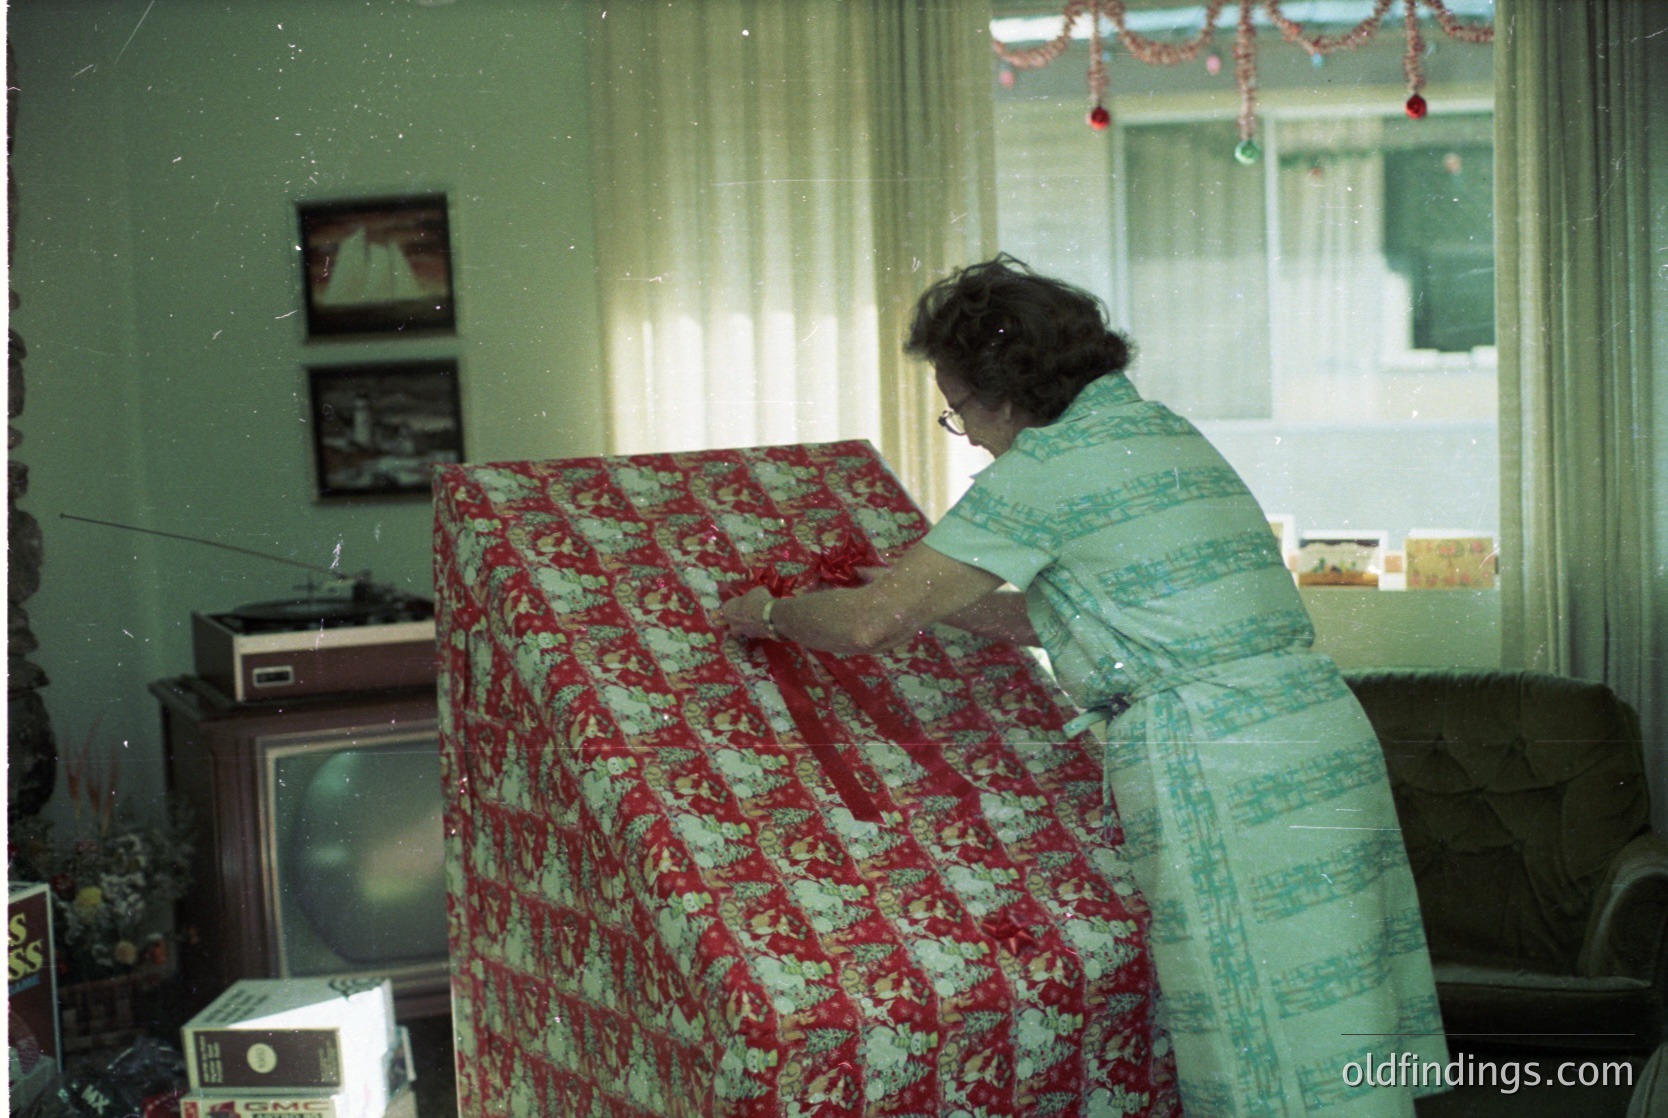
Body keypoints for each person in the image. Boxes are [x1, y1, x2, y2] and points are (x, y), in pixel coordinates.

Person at [722, 254, 1449, 1115]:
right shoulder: (1157, 430)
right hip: (1313, 731)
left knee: (1265, 1035)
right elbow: (1087, 616)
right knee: (1338, 1018)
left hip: (1223, 762)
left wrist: (767, 612)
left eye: (958, 410)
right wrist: (938, 602)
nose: (971, 433)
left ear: (999, 392)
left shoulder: (1043, 471)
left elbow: (863, 626)